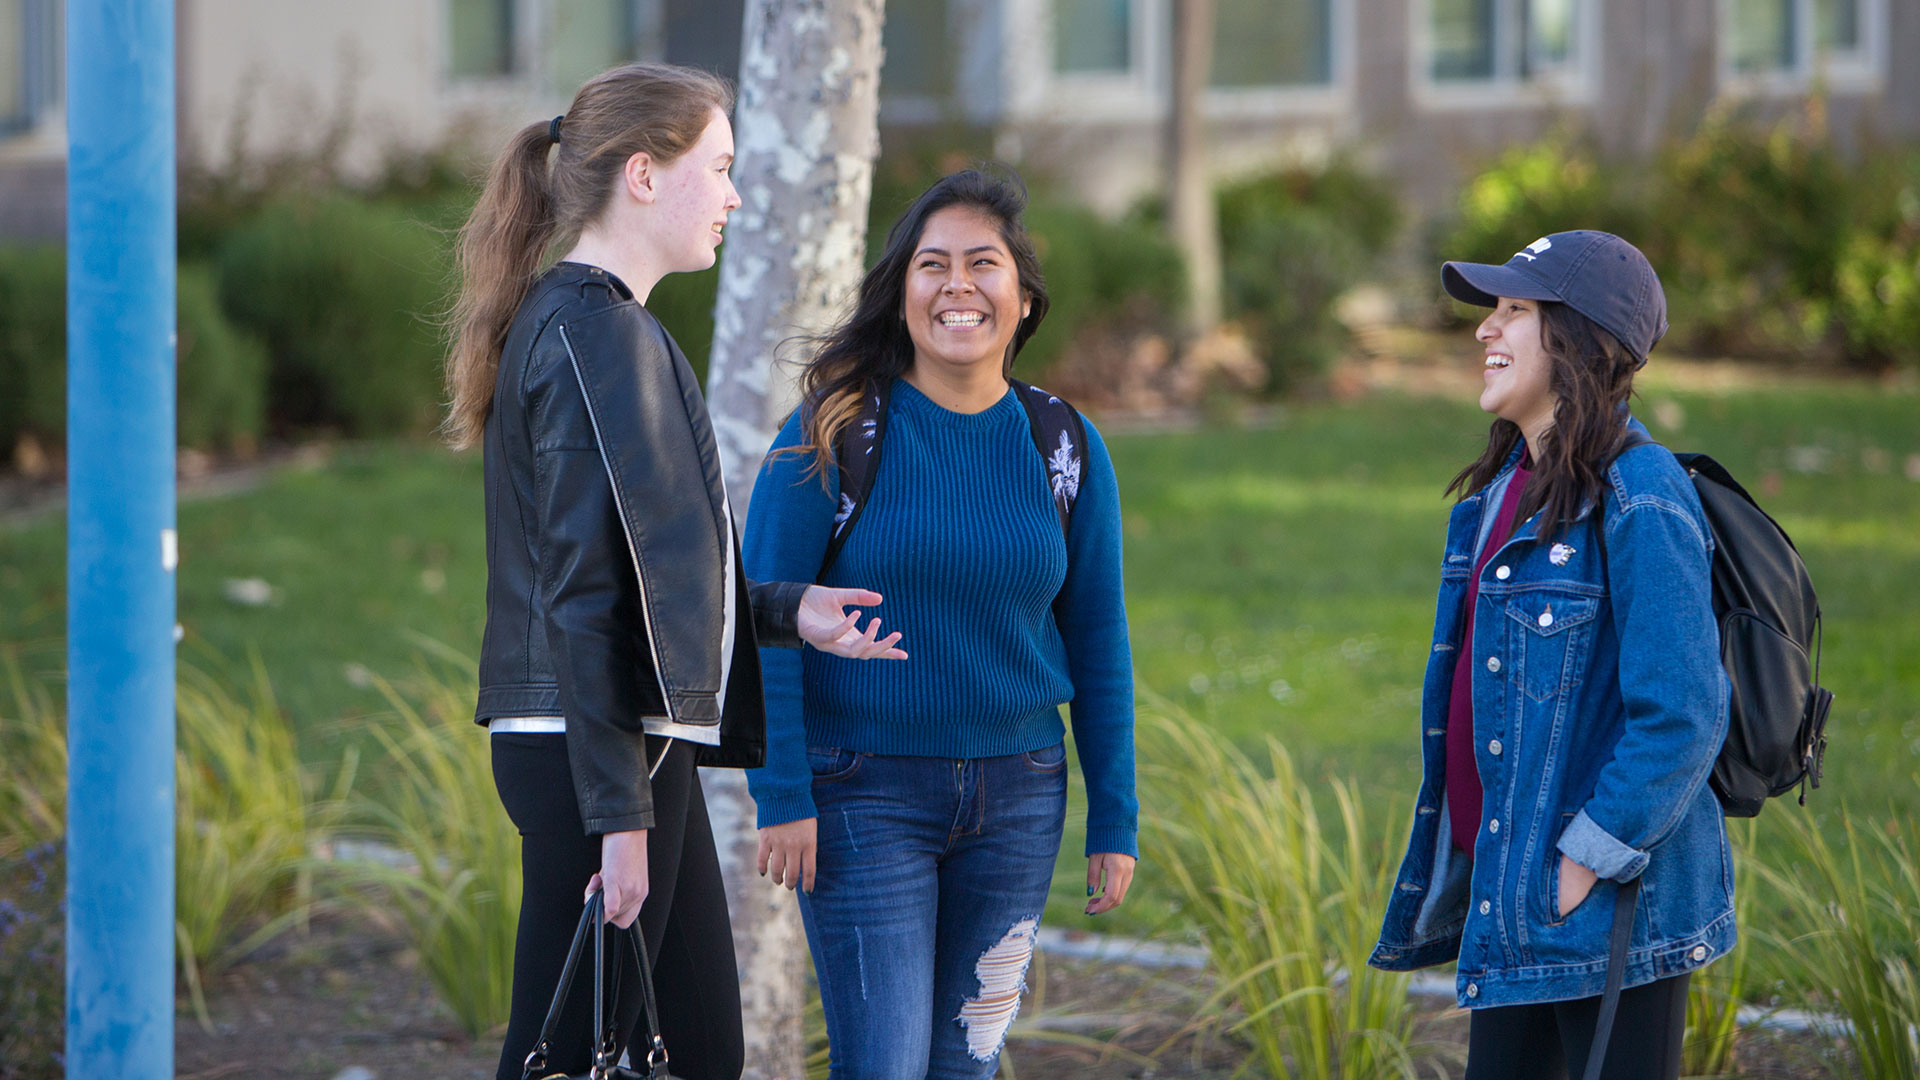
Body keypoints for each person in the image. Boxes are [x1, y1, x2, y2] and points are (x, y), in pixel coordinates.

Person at [444, 63, 905, 1080]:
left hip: (625, 743)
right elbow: (588, 592)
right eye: (723, 168)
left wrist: (790, 612)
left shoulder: (606, 327)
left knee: (699, 1051)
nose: (736, 196)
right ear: (644, 176)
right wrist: (619, 820)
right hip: (596, 755)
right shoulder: (594, 335)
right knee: (566, 1052)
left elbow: (645, 574)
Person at [741, 169, 1139, 1078]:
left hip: (1021, 798)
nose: (957, 286)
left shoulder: (1065, 444)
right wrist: (785, 794)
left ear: (1023, 298)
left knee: (967, 1063)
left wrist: (1114, 811)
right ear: (902, 292)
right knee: (882, 1065)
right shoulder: (835, 430)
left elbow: (1099, 639)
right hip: (861, 796)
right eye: (932, 265)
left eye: (982, 264)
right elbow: (764, 620)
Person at [1369, 231, 1735, 1080]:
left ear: (1575, 339)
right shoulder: (1507, 489)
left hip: (1603, 910)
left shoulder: (1642, 500)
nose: (1484, 332)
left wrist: (1586, 858)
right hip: (1514, 893)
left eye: (1513, 312)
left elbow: (1683, 711)